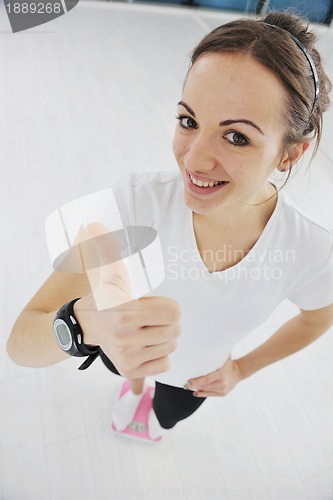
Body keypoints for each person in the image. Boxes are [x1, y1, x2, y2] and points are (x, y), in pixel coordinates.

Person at [7, 10, 333, 443]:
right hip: (110, 345)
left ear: (289, 154)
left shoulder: (310, 248)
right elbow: (20, 342)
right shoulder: (132, 203)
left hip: (196, 378)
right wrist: (87, 324)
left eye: (237, 137)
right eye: (189, 121)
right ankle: (135, 385)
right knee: (130, 369)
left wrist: (240, 369)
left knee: (168, 415)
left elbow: (317, 318)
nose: (194, 161)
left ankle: (151, 399)